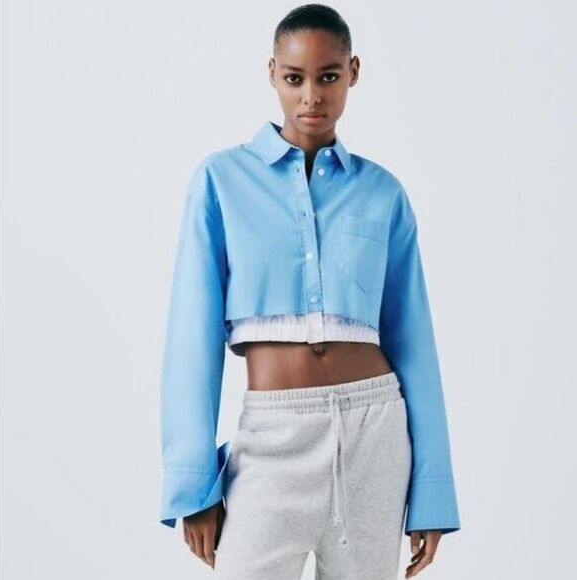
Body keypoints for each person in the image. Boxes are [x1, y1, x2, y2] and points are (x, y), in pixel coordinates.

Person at [159, 4, 461, 579]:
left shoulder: (383, 193)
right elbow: (190, 336)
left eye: (328, 76)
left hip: (376, 433)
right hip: (272, 438)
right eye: (295, 78)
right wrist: (192, 484)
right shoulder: (221, 181)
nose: (311, 97)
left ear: (353, 72)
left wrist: (432, 493)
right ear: (272, 72)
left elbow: (414, 341)